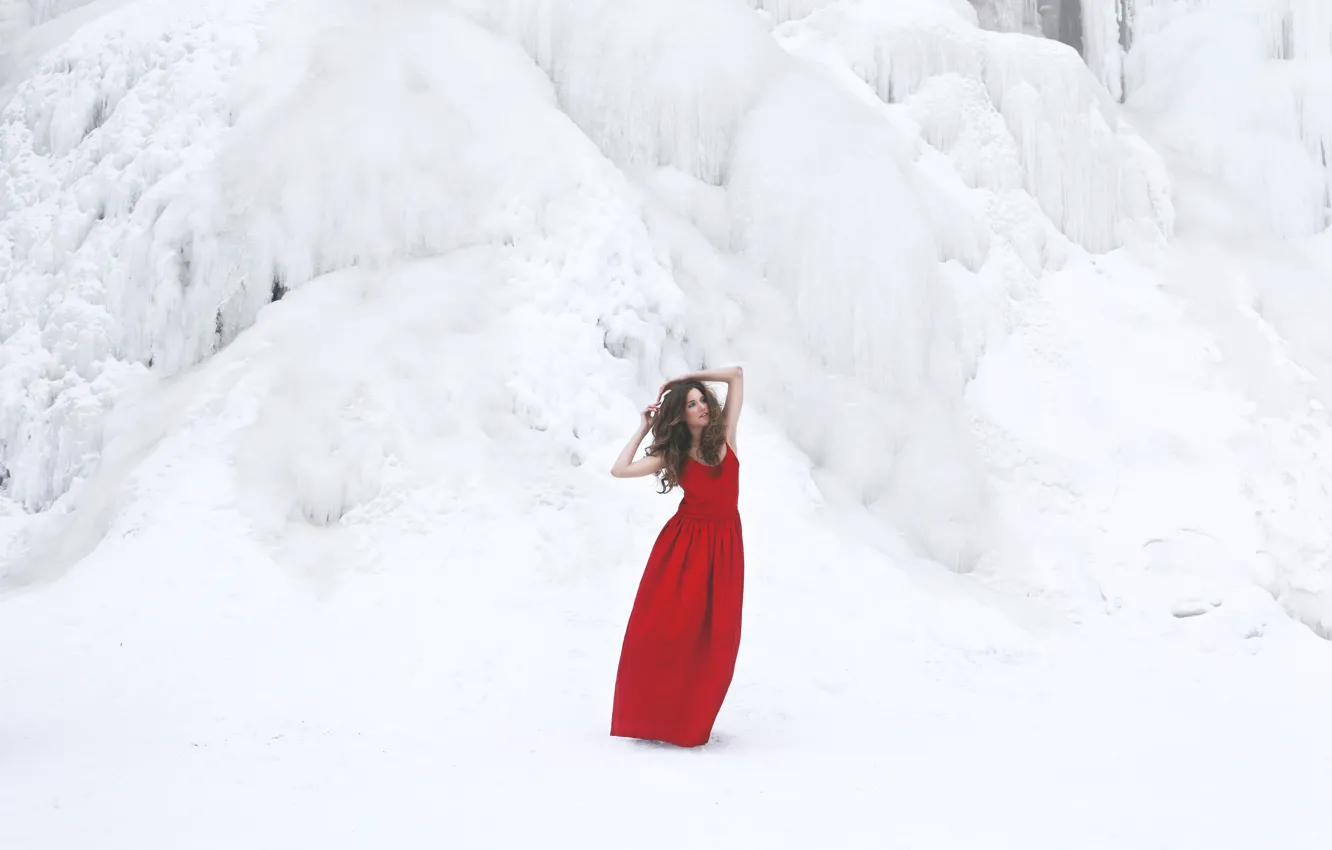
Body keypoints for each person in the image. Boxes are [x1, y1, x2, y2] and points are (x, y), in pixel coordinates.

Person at [607, 365, 745, 747]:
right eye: (691, 403)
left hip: (725, 547)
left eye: (703, 400)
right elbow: (620, 470)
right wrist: (643, 427)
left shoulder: (727, 439)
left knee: (718, 639)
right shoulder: (676, 454)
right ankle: (653, 719)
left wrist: (686, 376)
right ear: (680, 415)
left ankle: (690, 722)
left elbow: (735, 374)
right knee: (663, 632)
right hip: (683, 548)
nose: (701, 407)